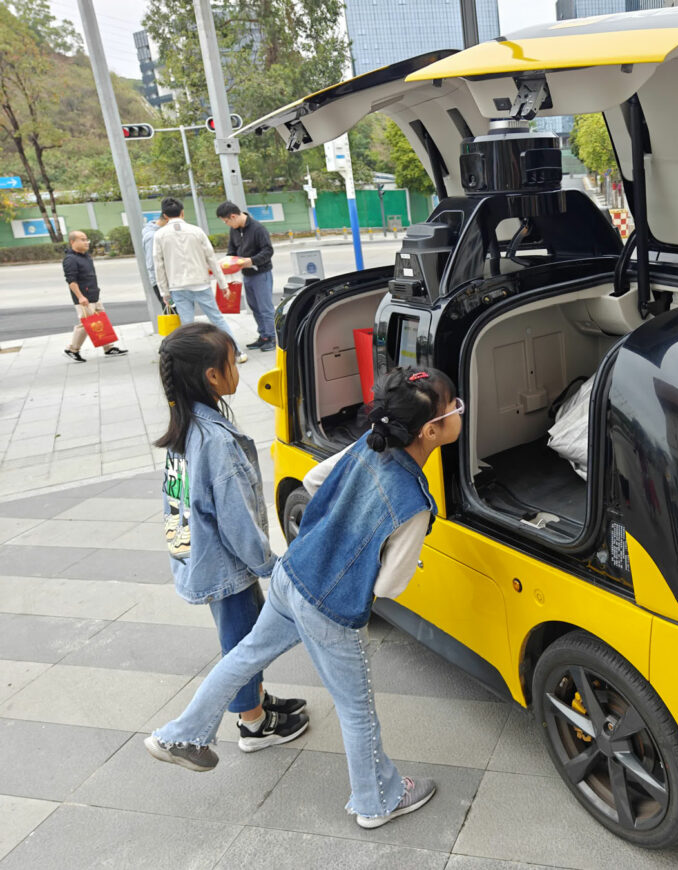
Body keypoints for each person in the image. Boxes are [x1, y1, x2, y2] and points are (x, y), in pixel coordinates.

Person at [145, 366, 464, 829]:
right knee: (356, 708)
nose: (459, 412)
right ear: (431, 431)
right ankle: (377, 800)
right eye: (455, 407)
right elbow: (389, 587)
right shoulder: (414, 501)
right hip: (330, 609)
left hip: (291, 574)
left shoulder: (369, 443)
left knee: (246, 655)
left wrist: (334, 534)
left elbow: (313, 481)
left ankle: (181, 735)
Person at [154, 322, 308, 749]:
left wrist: (185, 559)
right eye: (232, 362)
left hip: (204, 559)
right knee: (243, 644)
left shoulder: (185, 427)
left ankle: (254, 699)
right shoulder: (216, 442)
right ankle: (252, 723)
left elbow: (176, 504)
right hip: (227, 566)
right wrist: (269, 565)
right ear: (212, 376)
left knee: (245, 633)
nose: (239, 367)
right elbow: (237, 520)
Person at [154, 197, 247, 364]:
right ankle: (236, 352)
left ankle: (192, 360)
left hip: (177, 286)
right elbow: (211, 259)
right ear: (182, 213)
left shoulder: (159, 235)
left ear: (165, 215)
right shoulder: (196, 231)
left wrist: (164, 292)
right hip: (201, 283)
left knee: (187, 325)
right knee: (217, 319)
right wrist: (222, 283)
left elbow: (159, 265)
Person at [217, 201, 276, 352]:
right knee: (254, 307)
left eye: (226, 221)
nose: (227, 224)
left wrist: (251, 261)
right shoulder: (235, 230)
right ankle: (263, 336)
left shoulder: (258, 228)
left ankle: (272, 337)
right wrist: (227, 262)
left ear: (233, 216)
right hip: (246, 274)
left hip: (261, 273)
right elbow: (231, 251)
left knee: (265, 308)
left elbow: (268, 251)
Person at [61, 230, 128, 362]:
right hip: (84, 298)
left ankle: (108, 348)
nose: (86, 242)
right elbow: (71, 281)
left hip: (94, 295)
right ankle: (72, 350)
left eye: (87, 239)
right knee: (86, 324)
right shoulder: (70, 259)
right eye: (82, 240)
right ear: (72, 242)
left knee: (100, 321)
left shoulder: (85, 256)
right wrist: (80, 297)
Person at [141, 211, 169, 308]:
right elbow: (152, 263)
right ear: (166, 218)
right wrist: (160, 284)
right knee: (170, 310)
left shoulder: (159, 233)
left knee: (172, 310)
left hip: (164, 280)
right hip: (161, 282)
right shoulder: (152, 236)